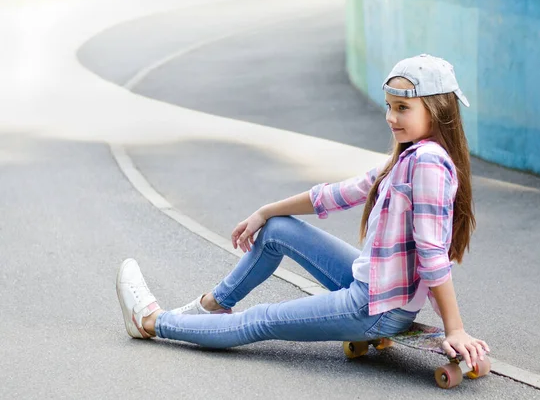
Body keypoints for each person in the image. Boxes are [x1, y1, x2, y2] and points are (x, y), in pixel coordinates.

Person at [116, 54, 490, 370]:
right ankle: (213, 306)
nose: (391, 118)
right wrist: (266, 211)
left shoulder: (426, 163)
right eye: (389, 107)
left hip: (375, 307)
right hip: (372, 283)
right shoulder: (409, 156)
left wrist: (454, 329)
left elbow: (432, 254)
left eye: (403, 108)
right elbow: (338, 193)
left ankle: (151, 322)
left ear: (438, 109)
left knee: (261, 321)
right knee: (278, 229)